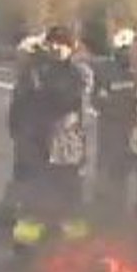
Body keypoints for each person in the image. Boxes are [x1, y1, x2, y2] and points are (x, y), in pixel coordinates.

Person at [8, 24, 93, 254]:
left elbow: (71, 100)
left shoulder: (80, 71)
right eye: (52, 42)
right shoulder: (36, 69)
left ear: (71, 47)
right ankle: (25, 243)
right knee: (33, 196)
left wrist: (43, 91)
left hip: (68, 146)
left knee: (70, 199)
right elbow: (20, 103)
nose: (56, 47)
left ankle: (75, 247)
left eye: (62, 43)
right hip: (35, 143)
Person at [93, 28, 137, 222]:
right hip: (117, 139)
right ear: (131, 50)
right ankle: (115, 227)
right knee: (115, 189)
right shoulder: (111, 71)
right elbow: (96, 101)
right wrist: (123, 101)